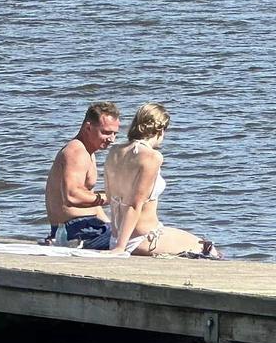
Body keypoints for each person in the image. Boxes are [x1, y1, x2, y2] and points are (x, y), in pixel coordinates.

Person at [104, 103, 219, 257]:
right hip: (143, 238)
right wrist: (120, 248)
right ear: (160, 129)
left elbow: (111, 196)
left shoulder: (115, 151)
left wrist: (117, 242)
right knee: (208, 249)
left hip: (116, 236)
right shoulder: (152, 157)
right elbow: (135, 204)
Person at [43, 102, 120, 248]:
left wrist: (111, 225)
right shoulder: (76, 152)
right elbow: (72, 196)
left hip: (84, 227)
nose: (112, 139)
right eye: (106, 132)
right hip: (77, 230)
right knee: (141, 239)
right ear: (88, 127)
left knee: (129, 234)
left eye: (115, 133)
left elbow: (89, 200)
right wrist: (111, 197)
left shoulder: (88, 152)